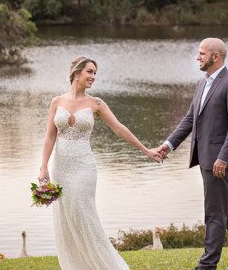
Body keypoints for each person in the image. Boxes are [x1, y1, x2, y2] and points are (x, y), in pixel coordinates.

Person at [37, 56, 163, 270]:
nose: (93, 77)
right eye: (90, 72)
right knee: (67, 219)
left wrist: (145, 150)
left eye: (95, 73)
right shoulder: (57, 102)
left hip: (84, 167)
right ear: (76, 73)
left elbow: (119, 129)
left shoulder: (96, 103)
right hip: (61, 168)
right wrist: (43, 166)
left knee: (83, 215)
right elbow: (50, 136)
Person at [156, 38, 228, 270]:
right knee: (227, 206)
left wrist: (223, 157)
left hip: (219, 160)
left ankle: (207, 265)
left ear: (216, 56)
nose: (198, 57)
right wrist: (169, 144)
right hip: (205, 157)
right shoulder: (201, 83)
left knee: (214, 213)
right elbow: (190, 119)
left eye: (202, 53)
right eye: (198, 53)